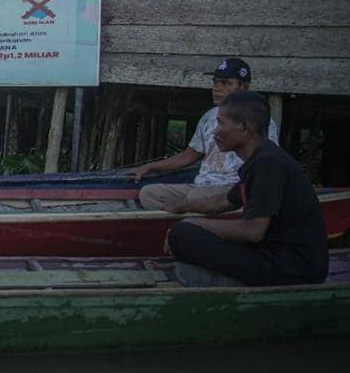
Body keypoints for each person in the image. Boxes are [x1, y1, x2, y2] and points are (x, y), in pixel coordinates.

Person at [164, 91, 327, 287]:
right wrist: (182, 208)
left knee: (181, 236)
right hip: (272, 253)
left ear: (244, 128)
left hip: (293, 267)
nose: (215, 131)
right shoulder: (260, 158)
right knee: (184, 232)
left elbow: (253, 232)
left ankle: (225, 283)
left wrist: (194, 223)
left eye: (222, 124)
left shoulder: (268, 164)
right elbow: (222, 202)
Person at [130, 57, 278, 210]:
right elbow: (189, 155)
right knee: (148, 194)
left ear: (244, 87)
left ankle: (188, 220)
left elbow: (265, 162)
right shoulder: (208, 117)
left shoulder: (258, 119)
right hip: (200, 185)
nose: (217, 88)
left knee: (194, 198)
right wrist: (151, 166)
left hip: (230, 189)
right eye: (215, 82)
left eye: (225, 83)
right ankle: (180, 220)